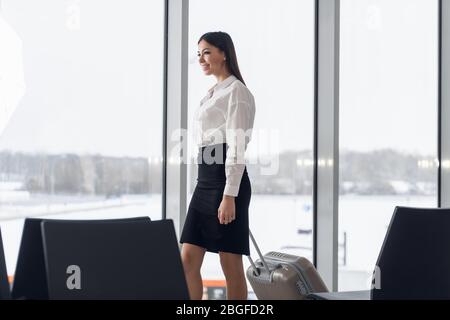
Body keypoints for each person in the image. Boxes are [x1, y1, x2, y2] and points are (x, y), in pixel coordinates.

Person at [180, 31, 256, 300]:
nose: (201, 58)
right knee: (187, 259)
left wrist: (229, 195)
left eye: (207, 52)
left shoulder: (238, 92)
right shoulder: (213, 92)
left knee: (230, 262)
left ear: (224, 53)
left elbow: (237, 148)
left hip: (226, 184)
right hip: (205, 183)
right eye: (199, 53)